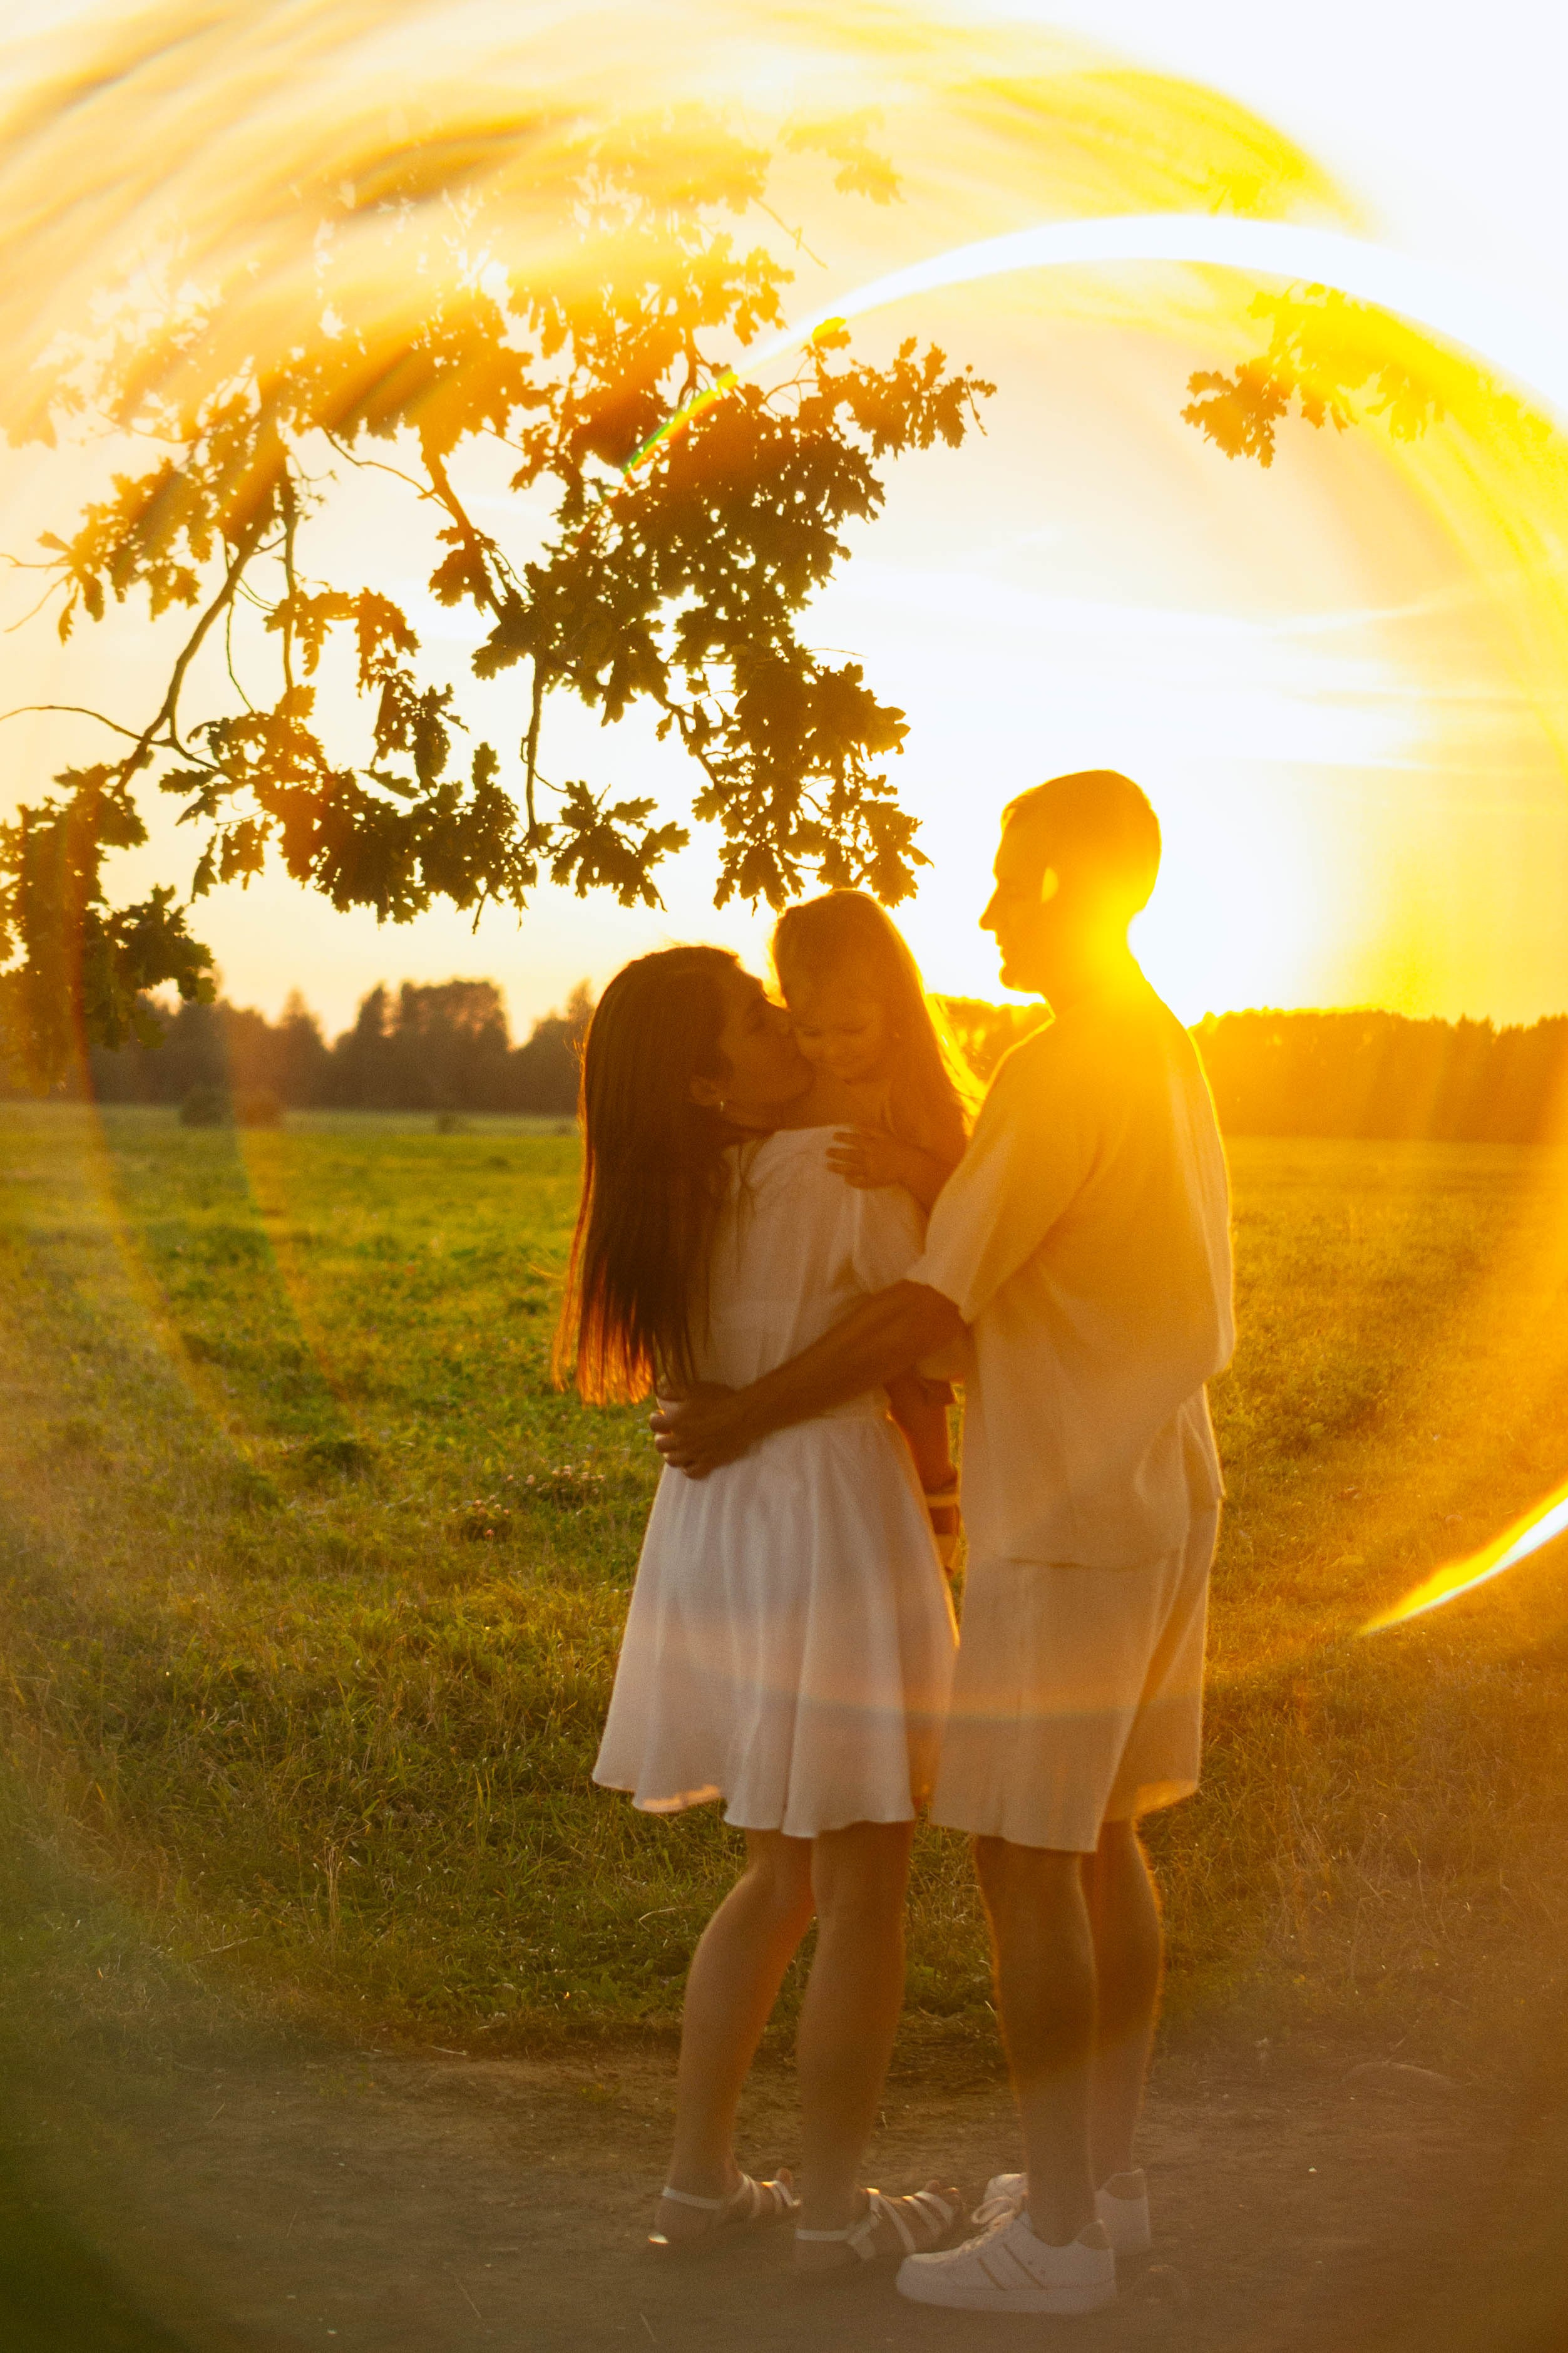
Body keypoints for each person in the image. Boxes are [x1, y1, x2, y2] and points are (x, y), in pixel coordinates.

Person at [652, 771, 1235, 2317]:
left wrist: (735, 1415)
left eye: (1011, 879)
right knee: (1098, 1832)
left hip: (1069, 1496)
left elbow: (924, 1305)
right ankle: (1101, 2188)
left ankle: (1057, 2238)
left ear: (1091, 886)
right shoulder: (1155, 1043)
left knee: (1021, 1853)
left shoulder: (1055, 1067)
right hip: (1164, 1473)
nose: (982, 912)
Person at [557, 945, 962, 2273]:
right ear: (706, 1082)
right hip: (825, 1513)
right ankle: (836, 2212)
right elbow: (938, 1323)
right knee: (862, 1883)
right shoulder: (838, 1168)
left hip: (721, 1528)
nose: (785, 1017)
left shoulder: (669, 1200)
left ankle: (699, 2182)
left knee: (778, 1875)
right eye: (752, 1016)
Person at [770, 889, 976, 1562]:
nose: (831, 1049)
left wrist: (904, 1163)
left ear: (892, 1005)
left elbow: (965, 1197)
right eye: (811, 1031)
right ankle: (853, 1506)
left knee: (911, 1385)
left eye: (849, 1030)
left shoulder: (915, 1093)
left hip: (906, 1275)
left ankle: (937, 1490)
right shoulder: (799, 1085)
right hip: (828, 1270)